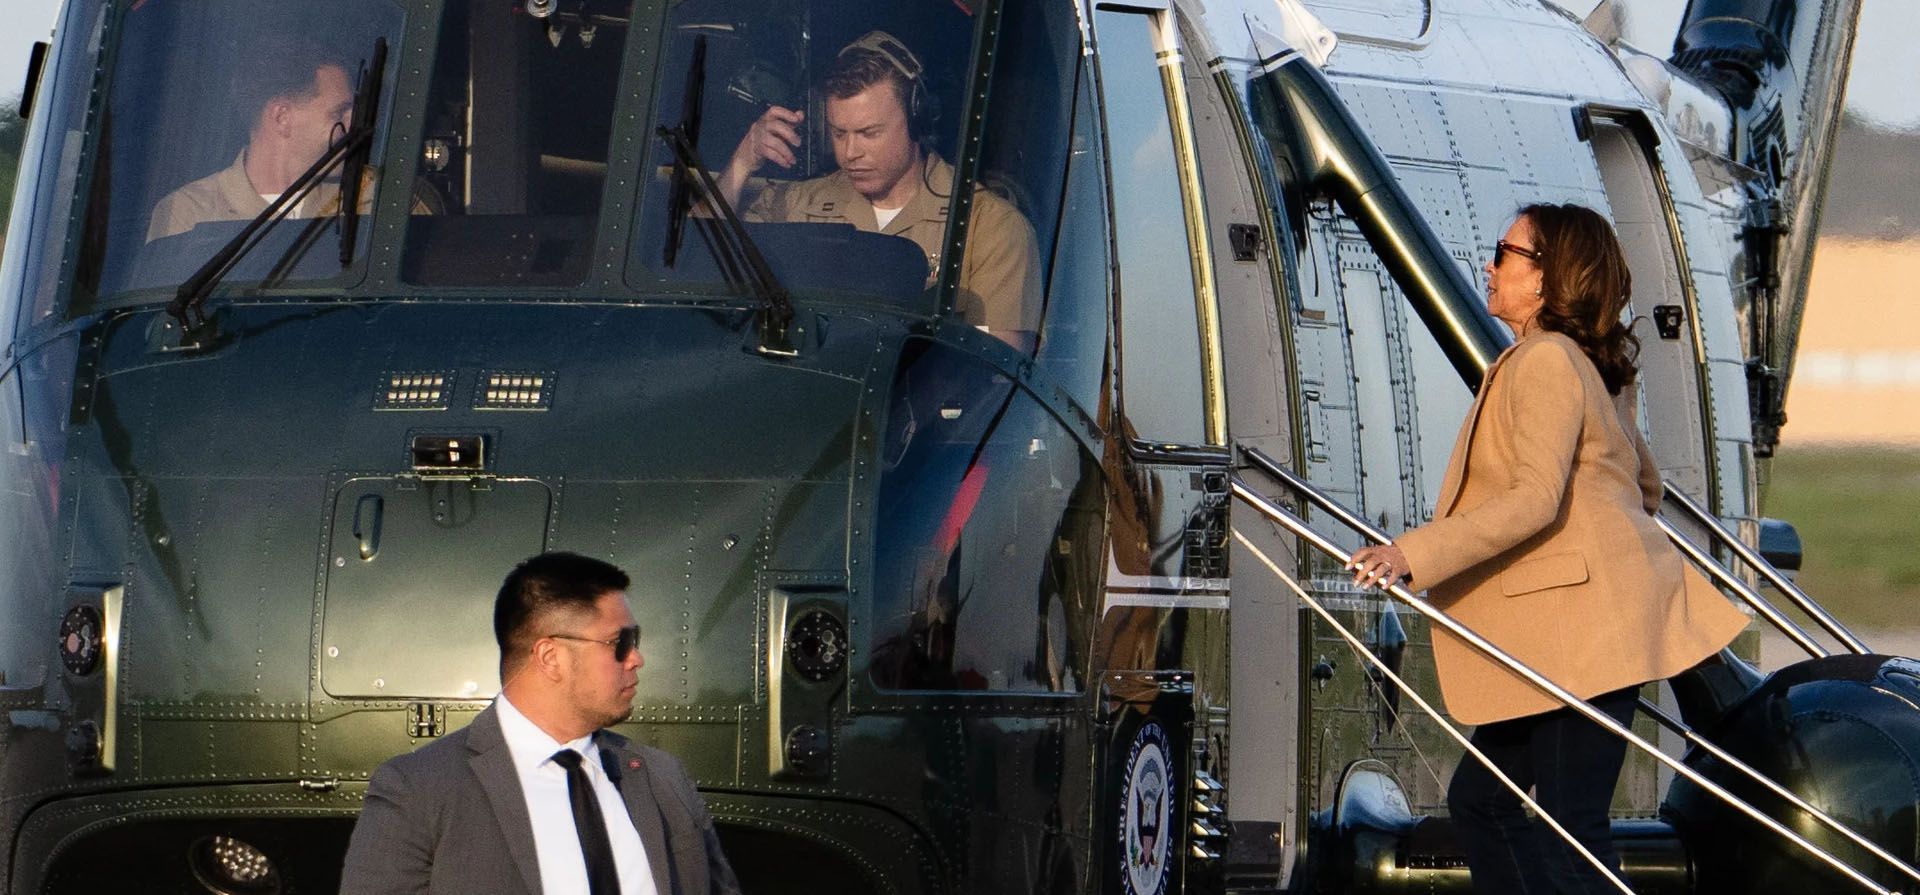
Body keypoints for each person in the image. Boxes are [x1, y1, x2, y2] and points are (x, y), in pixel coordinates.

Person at [1347, 203, 1747, 894]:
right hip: (1579, 636)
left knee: (1568, 825)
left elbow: (1535, 498)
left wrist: (1415, 552)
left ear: (1546, 279)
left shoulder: (1545, 362)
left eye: (1505, 253)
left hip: (1583, 641)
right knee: (1486, 800)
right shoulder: (1583, 364)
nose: (1489, 265)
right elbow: (1642, 486)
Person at [340, 552, 741, 895]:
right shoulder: (418, 790)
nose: (636, 659)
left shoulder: (664, 778)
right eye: (620, 643)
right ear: (550, 657)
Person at [715, 31, 1041, 349]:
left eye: (869, 133)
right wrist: (743, 161)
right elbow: (702, 255)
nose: (850, 152)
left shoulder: (988, 228)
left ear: (916, 120)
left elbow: (995, 373)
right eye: (839, 133)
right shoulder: (799, 204)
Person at [147, 39, 367, 242]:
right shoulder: (188, 212)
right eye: (339, 114)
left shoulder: (366, 196)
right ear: (282, 118)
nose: (353, 126)